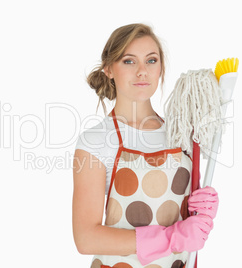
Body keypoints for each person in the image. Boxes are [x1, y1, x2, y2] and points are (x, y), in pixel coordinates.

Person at [72, 23, 219, 268]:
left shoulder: (181, 133)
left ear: (161, 68)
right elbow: (86, 238)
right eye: (129, 61)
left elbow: (186, 223)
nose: (142, 71)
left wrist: (202, 210)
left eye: (151, 61)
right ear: (109, 69)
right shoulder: (96, 140)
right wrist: (171, 238)